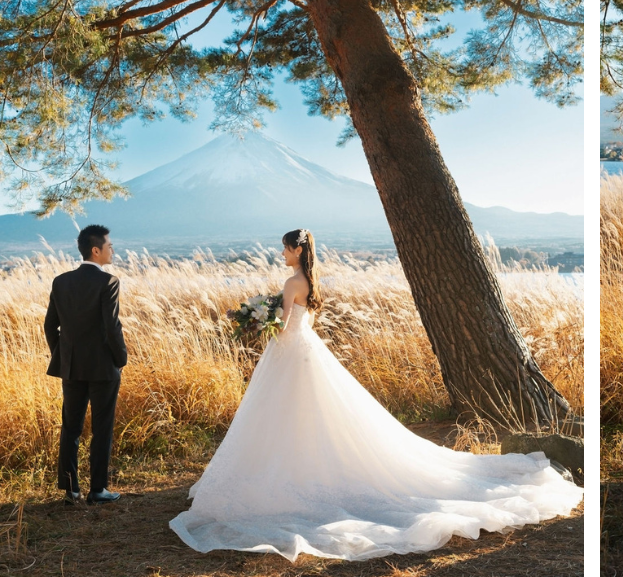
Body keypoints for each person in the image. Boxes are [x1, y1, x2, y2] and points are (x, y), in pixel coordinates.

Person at [170, 228, 582, 562]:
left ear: (297, 249)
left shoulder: (291, 280)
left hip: (290, 356)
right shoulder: (310, 281)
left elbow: (279, 321)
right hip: (306, 352)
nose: (282, 254)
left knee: (284, 414)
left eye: (285, 249)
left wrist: (255, 315)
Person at [45, 224, 126, 506]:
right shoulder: (109, 282)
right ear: (96, 249)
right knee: (102, 428)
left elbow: (49, 326)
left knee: (71, 427)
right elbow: (111, 327)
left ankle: (71, 490)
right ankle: (98, 490)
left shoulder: (61, 281)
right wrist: (121, 359)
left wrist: (63, 355)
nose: (112, 250)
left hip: (71, 367)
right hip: (103, 368)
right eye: (109, 245)